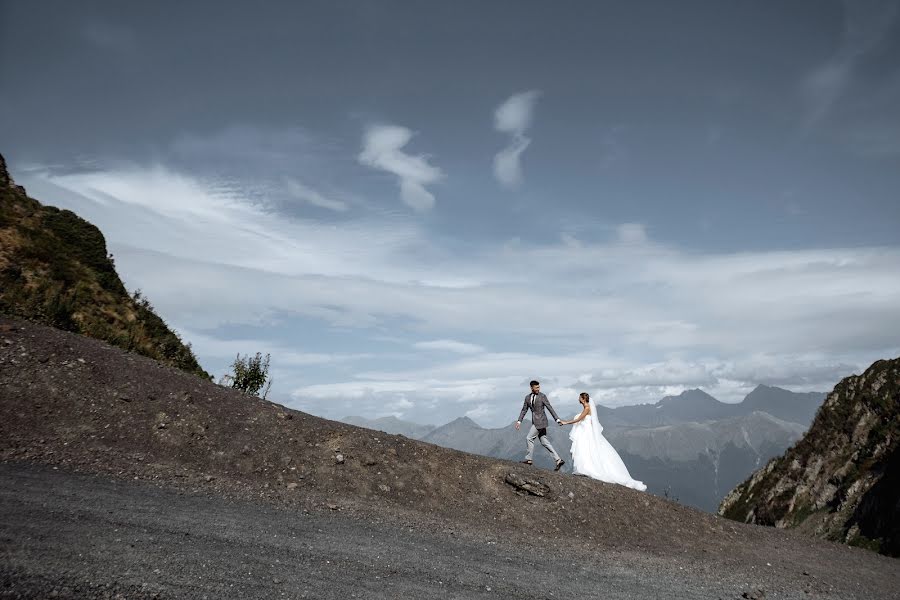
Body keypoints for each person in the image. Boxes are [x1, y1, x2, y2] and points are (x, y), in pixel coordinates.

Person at [560, 392, 646, 491]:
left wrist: (565, 422)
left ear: (583, 399)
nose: (578, 399)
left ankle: (586, 468)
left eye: (579, 397)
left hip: (586, 433)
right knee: (586, 449)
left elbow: (579, 419)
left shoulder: (587, 408)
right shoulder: (587, 407)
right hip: (586, 432)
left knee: (585, 449)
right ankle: (583, 468)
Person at [515, 380, 565, 471]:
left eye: (539, 387)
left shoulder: (542, 396)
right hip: (535, 421)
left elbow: (550, 407)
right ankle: (558, 460)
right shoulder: (527, 398)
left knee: (529, 438)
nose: (538, 389)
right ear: (531, 388)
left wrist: (557, 419)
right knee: (544, 441)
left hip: (541, 422)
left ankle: (529, 459)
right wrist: (519, 421)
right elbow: (524, 410)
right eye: (536, 387)